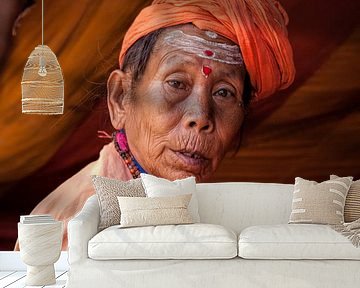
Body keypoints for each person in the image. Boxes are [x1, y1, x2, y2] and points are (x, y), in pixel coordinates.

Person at [15, 0, 295, 250]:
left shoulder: (188, 202)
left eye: (224, 92)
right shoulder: (73, 229)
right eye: (176, 83)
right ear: (121, 98)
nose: (201, 117)